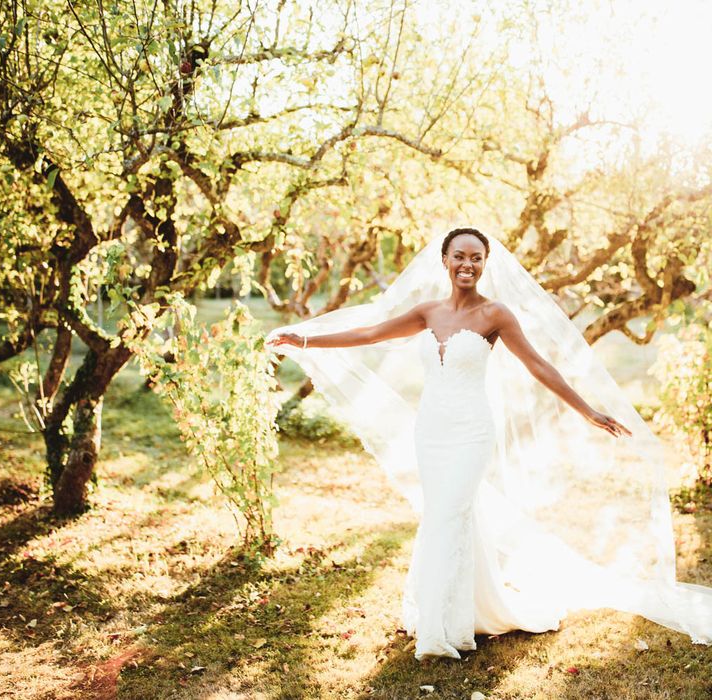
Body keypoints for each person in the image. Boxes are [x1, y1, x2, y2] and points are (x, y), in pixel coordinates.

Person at [265, 227, 712, 660]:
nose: (467, 264)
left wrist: (588, 410)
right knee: (445, 517)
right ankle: (460, 610)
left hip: (472, 431)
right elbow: (367, 335)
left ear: (484, 264)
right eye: (459, 256)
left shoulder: (494, 315)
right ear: (444, 261)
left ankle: (442, 630)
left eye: (476, 258)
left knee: (448, 515)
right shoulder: (427, 312)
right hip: (432, 431)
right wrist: (302, 338)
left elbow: (538, 365)